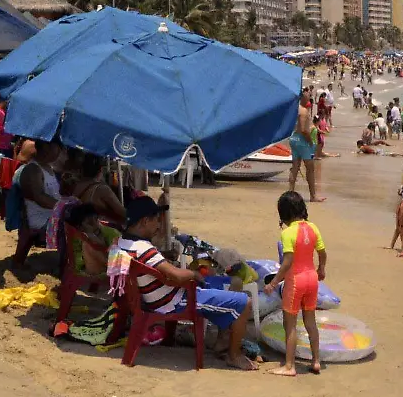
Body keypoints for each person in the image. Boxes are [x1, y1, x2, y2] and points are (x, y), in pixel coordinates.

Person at [116, 196, 257, 370]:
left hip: (153, 298)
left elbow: (155, 267)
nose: (159, 226)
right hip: (175, 301)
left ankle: (222, 343)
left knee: (225, 286)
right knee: (245, 303)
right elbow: (175, 275)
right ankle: (233, 355)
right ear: (145, 221)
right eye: (156, 221)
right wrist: (193, 273)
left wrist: (167, 260)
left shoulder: (124, 242)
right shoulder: (144, 248)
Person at [264, 191, 327, 376]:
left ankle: (290, 366)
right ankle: (316, 361)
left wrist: (273, 283)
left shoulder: (287, 232)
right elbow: (322, 253)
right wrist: (321, 269)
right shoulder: (313, 227)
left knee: (289, 324)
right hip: (312, 279)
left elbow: (287, 262)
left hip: (296, 281)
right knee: (310, 322)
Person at [18, 140, 62, 234]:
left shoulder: (48, 167)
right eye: (58, 147)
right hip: (41, 220)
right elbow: (39, 197)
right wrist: (63, 207)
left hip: (52, 215)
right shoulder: (33, 169)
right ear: (46, 148)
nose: (59, 151)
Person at [288, 93, 324, 203]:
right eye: (308, 96)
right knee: (310, 169)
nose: (309, 97)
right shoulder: (303, 111)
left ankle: (290, 193)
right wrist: (309, 141)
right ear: (303, 98)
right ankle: (313, 196)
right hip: (302, 140)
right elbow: (304, 129)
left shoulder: (294, 109)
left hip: (293, 138)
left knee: (295, 167)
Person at [71, 153, 125, 225]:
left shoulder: (74, 186)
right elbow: (122, 213)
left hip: (79, 230)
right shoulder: (101, 189)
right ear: (100, 170)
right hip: (98, 230)